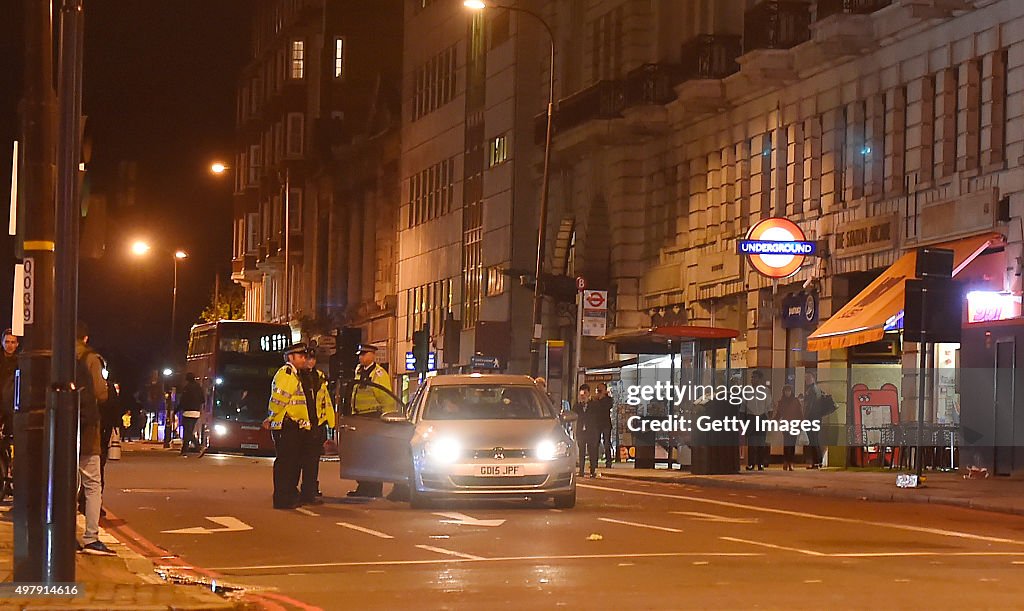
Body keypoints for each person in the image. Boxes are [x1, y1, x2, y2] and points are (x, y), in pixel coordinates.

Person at [76, 322, 114, 555]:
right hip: (87, 428)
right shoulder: (91, 359)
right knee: (92, 485)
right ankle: (91, 538)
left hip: (60, 428)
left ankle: (63, 535)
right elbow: (101, 393)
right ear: (86, 338)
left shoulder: (55, 355)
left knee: (65, 485)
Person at [348, 344, 394, 498]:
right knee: (362, 455)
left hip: (373, 416)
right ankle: (363, 486)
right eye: (359, 355)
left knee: (373, 455)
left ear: (373, 355)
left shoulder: (379, 374)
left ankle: (374, 488)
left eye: (364, 354)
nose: (361, 357)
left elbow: (386, 397)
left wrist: (387, 417)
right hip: (360, 417)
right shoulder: (359, 371)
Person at [296, 349, 335, 505]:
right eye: (307, 359)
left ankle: (309, 492)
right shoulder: (296, 376)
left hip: (317, 424)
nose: (310, 362)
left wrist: (329, 423)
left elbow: (325, 400)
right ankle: (296, 491)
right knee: (298, 461)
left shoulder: (319, 377)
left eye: (312, 359)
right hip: (302, 424)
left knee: (312, 462)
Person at [744, 370, 771, 471]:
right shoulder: (747, 391)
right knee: (751, 443)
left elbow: (769, 406)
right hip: (751, 418)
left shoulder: (765, 391)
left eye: (755, 377)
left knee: (761, 442)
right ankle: (751, 463)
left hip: (762, 417)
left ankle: (761, 463)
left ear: (760, 379)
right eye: (752, 377)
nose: (752, 379)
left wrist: (769, 419)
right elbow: (744, 406)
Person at [775, 384, 803, 471]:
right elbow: (779, 414)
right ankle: (786, 462)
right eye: (786, 391)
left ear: (791, 391)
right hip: (785, 425)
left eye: (789, 390)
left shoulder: (796, 401)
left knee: (792, 445)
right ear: (783, 392)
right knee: (787, 445)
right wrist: (773, 421)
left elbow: (800, 413)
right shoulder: (781, 402)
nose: (787, 392)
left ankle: (790, 462)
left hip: (794, 425)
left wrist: (801, 424)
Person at [573, 384, 598, 478]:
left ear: (588, 393)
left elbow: (597, 417)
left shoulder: (594, 404)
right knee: (581, 451)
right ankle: (581, 470)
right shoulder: (577, 405)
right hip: (581, 431)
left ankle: (592, 470)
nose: (583, 395)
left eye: (585, 393)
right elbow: (574, 414)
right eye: (581, 393)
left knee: (592, 451)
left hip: (591, 431)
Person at [177, 373, 204, 456]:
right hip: (196, 412)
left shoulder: (187, 388)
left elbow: (182, 401)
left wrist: (176, 410)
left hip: (187, 412)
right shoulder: (199, 388)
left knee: (187, 432)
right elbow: (203, 400)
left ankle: (196, 446)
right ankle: (186, 449)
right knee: (189, 431)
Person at [590, 383, 614, 468]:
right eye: (598, 389)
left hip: (606, 424)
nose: (599, 391)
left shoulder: (608, 400)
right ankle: (594, 462)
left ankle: (608, 461)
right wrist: (596, 399)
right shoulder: (594, 400)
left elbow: (606, 407)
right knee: (595, 443)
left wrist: (600, 399)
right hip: (597, 424)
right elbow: (592, 410)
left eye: (600, 390)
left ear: (605, 390)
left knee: (606, 442)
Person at [804, 372, 824, 469]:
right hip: (817, 418)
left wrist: (805, 418)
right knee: (815, 440)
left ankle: (816, 462)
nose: (806, 380)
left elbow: (810, 406)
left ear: (812, 379)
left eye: (808, 378)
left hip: (812, 418)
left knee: (813, 440)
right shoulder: (817, 389)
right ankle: (818, 462)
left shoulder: (812, 390)